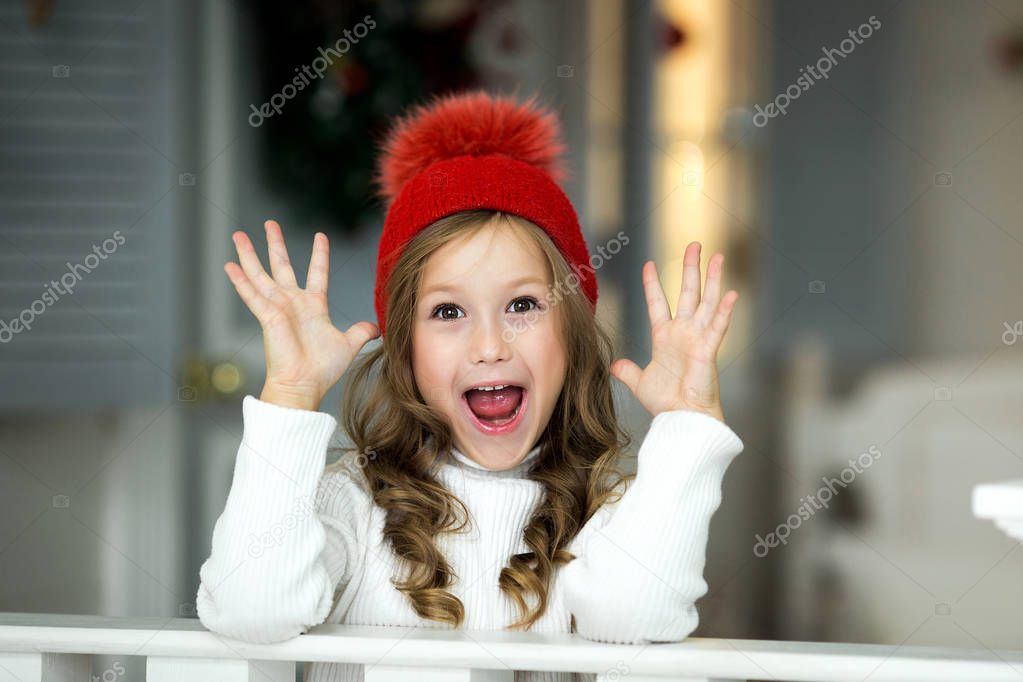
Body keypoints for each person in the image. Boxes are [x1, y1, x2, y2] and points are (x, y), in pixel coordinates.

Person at [196, 90, 744, 682]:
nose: (490, 346)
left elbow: (635, 616)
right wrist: (291, 394)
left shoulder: (607, 516)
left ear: (573, 333)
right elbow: (251, 609)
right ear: (405, 347)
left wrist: (688, 428)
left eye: (523, 304)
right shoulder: (351, 502)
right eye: (448, 312)